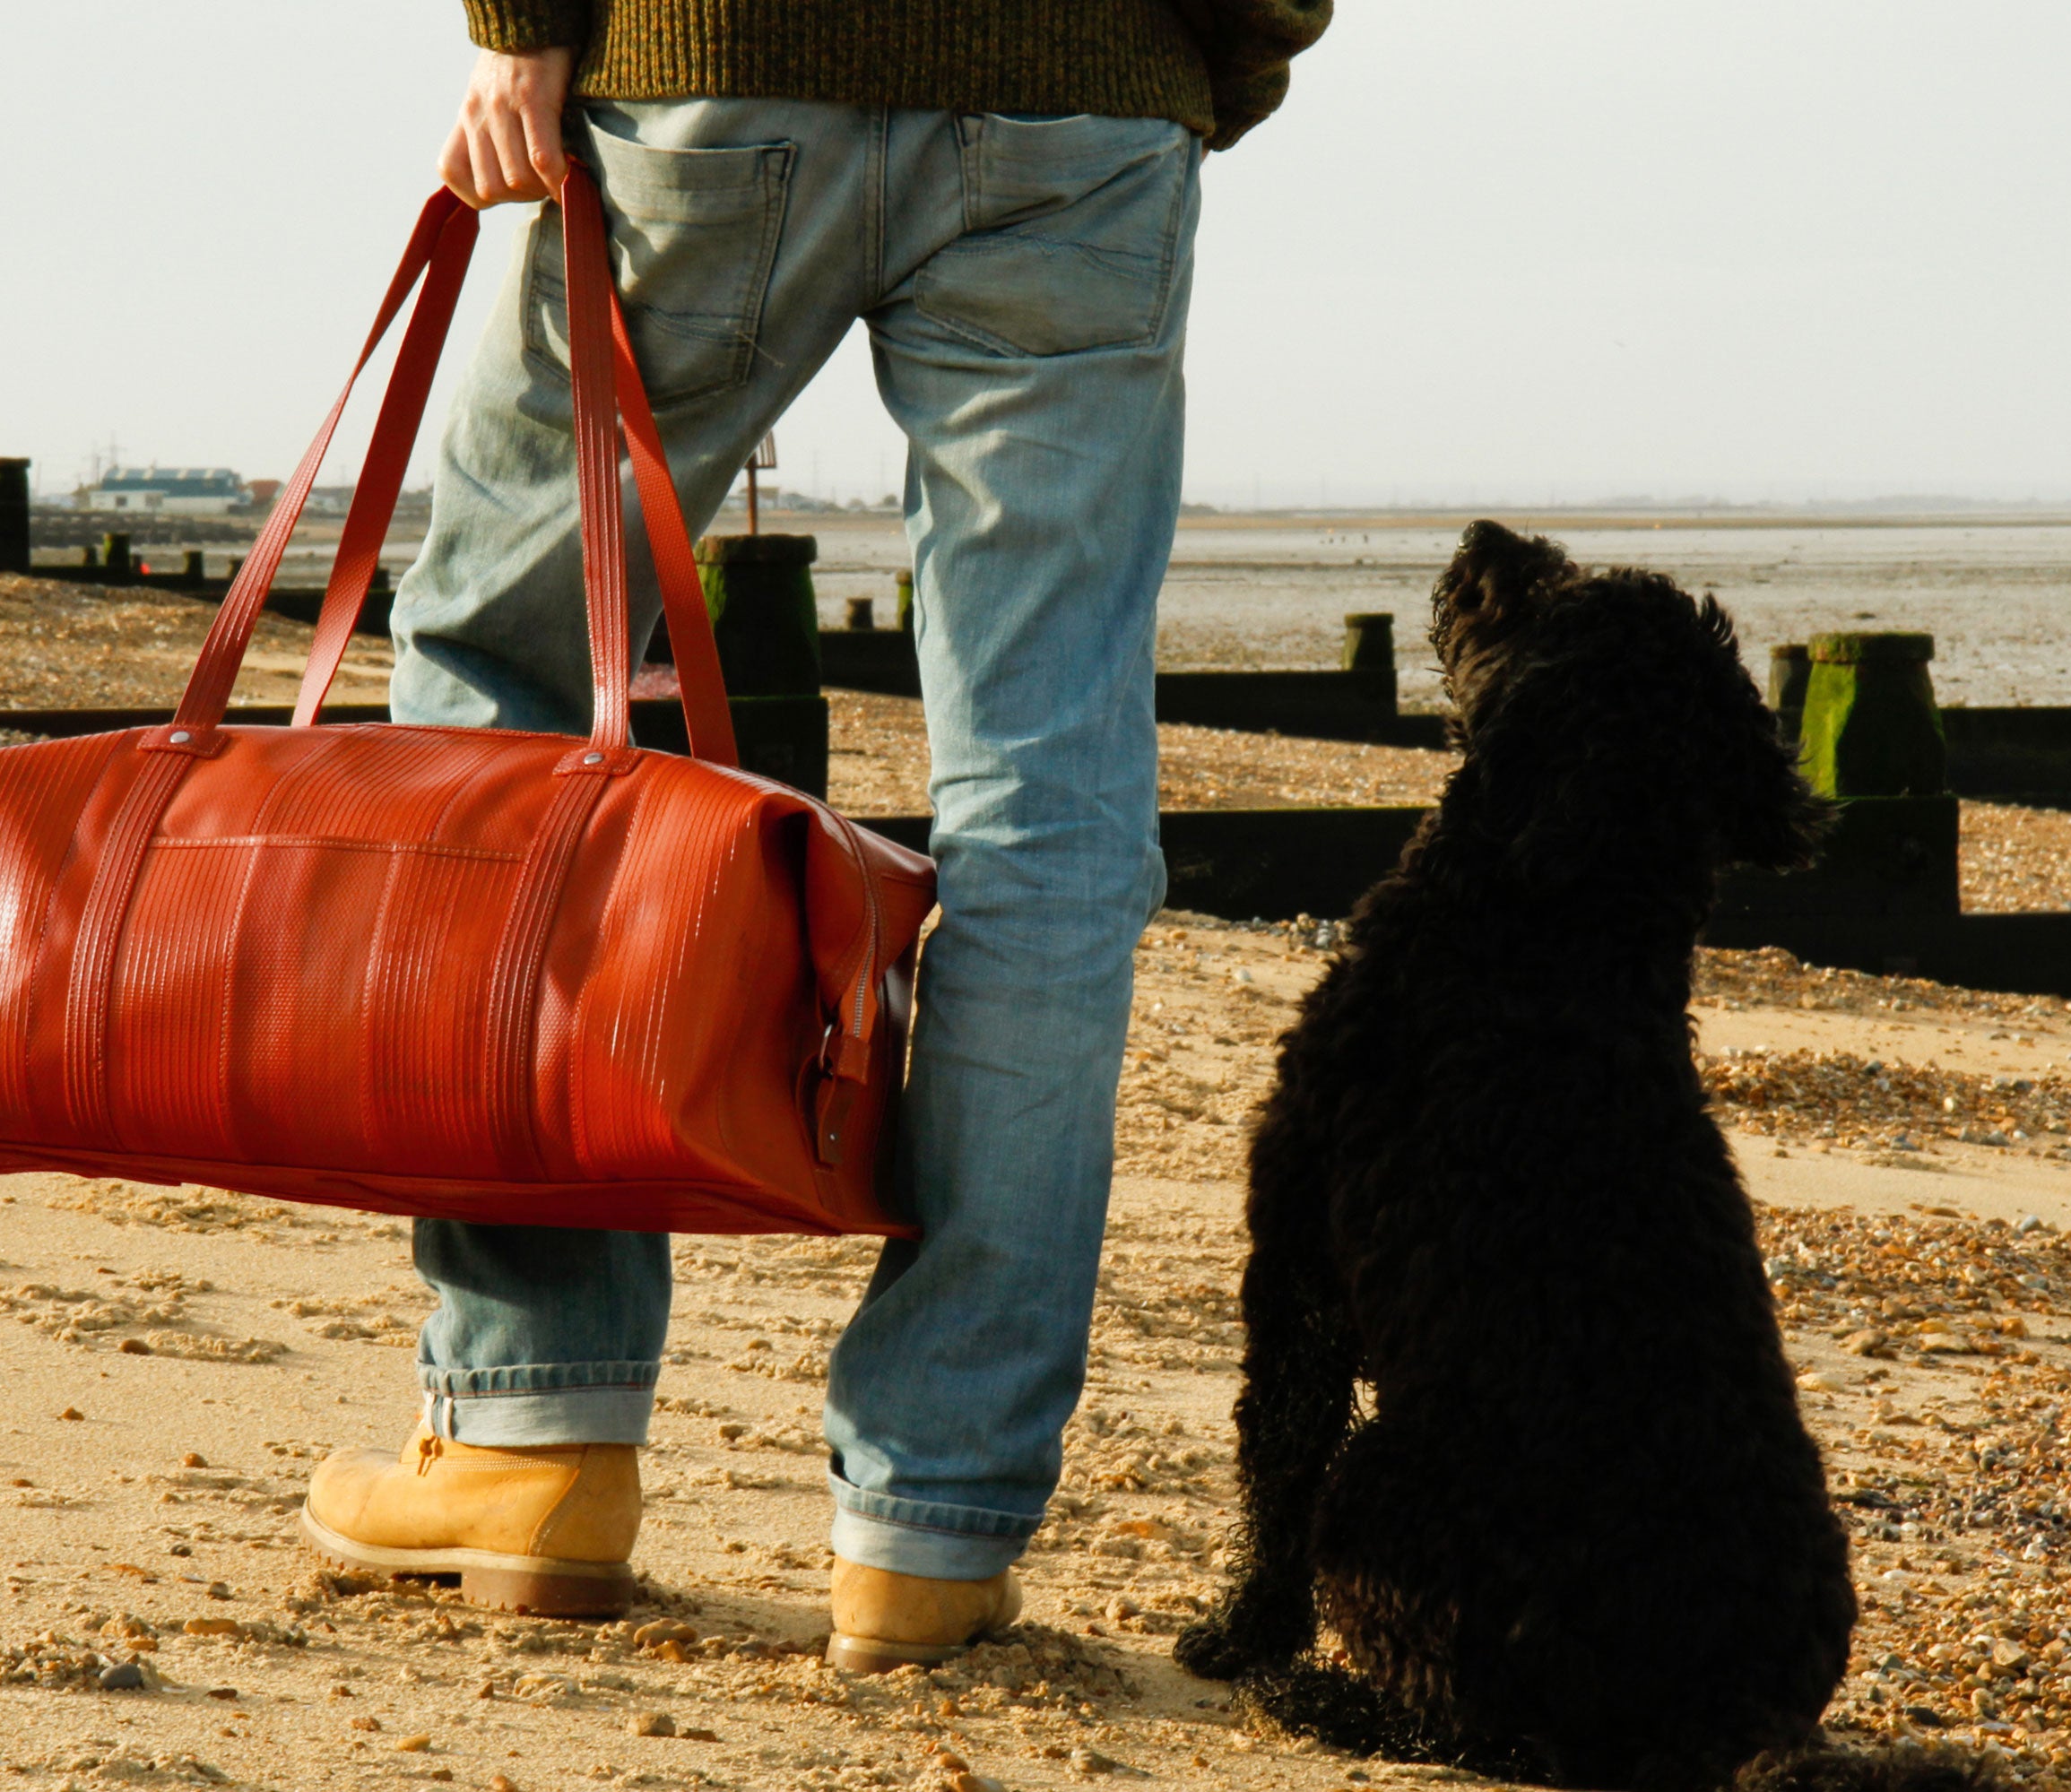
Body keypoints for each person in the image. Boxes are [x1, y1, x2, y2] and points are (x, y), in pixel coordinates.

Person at [302, 0, 1330, 1673]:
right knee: (1047, 790)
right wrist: (1211, 50)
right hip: (1086, 98)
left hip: (716, 66)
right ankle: (933, 1526)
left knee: (506, 673)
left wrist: (521, 23)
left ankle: (529, 1432)